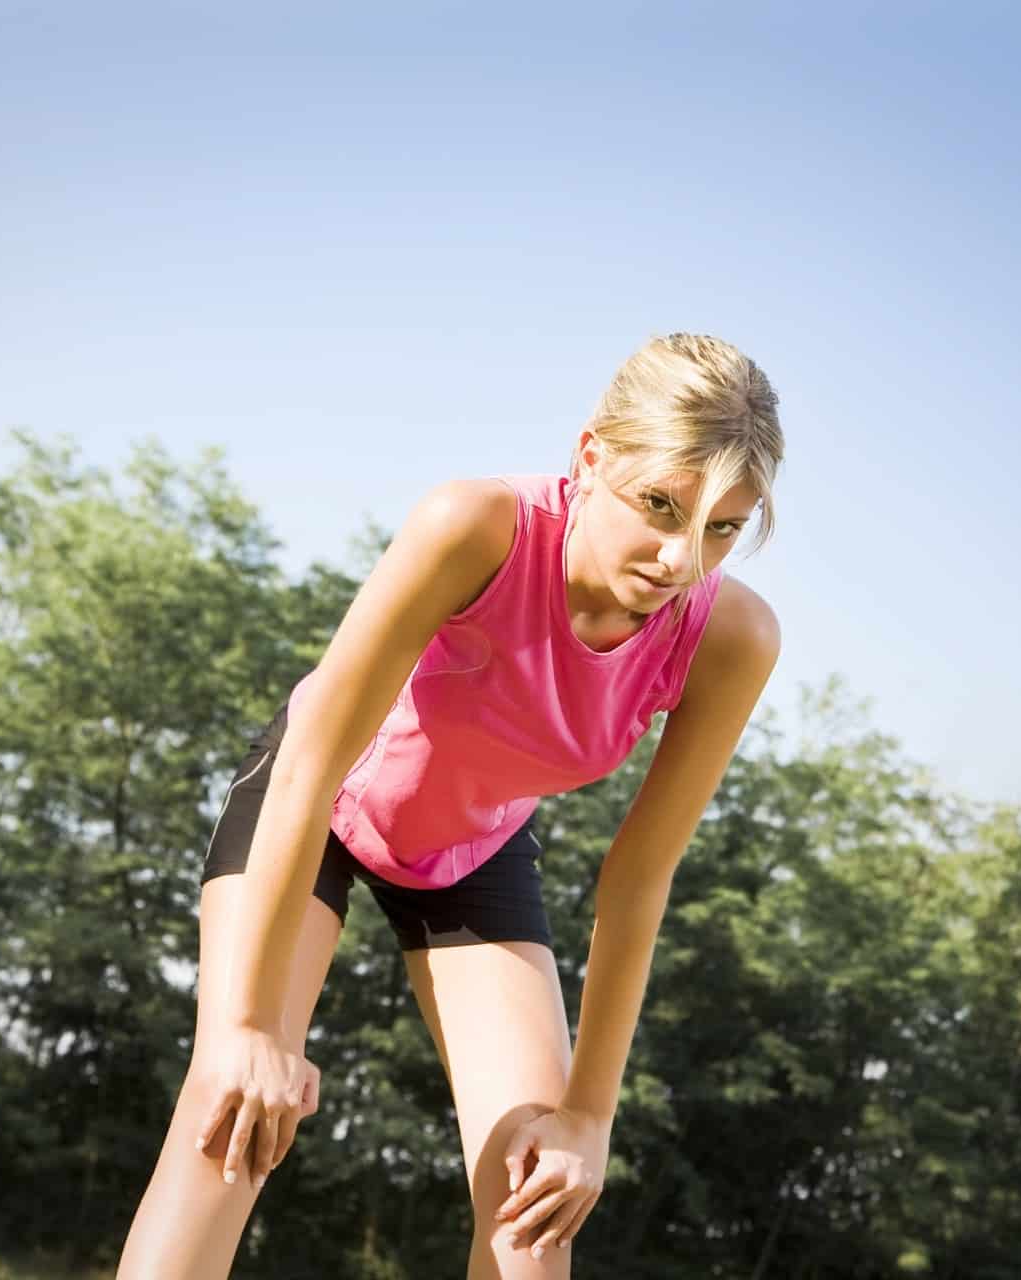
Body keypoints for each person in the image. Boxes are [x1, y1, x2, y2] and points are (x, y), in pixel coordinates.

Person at [116, 332, 784, 1279]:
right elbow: (312, 761)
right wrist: (248, 1033)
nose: (681, 557)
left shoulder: (730, 637)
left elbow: (638, 879)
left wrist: (587, 1118)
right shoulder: (473, 524)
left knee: (535, 1205)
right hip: (321, 800)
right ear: (593, 457)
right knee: (228, 1116)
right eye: (660, 506)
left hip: (474, 850)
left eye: (722, 527)